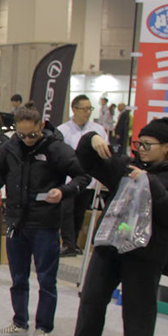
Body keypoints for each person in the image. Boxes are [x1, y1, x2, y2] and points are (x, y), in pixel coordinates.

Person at [53, 119, 168, 336]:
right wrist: (91, 140)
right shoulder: (125, 165)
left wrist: (149, 182)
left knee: (138, 308)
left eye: (147, 145)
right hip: (110, 246)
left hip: (147, 251)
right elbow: (88, 162)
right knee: (92, 300)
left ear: (166, 147)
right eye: (137, 143)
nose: (140, 149)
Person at [0, 106, 85, 336]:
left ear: (40, 126)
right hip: (16, 222)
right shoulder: (10, 147)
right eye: (21, 135)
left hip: (45, 223)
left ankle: (43, 326)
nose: (27, 140)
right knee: (18, 277)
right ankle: (19, 321)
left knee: (46, 280)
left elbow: (83, 176)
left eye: (31, 135)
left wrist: (62, 191)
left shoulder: (57, 149)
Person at [57, 95, 109, 255]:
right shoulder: (63, 130)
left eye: (89, 109)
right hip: (68, 180)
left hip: (89, 180)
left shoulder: (98, 130)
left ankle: (75, 243)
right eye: (84, 109)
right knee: (66, 211)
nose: (87, 112)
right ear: (74, 109)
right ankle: (68, 244)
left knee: (79, 212)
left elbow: (105, 152)